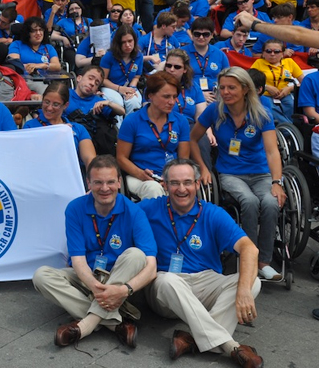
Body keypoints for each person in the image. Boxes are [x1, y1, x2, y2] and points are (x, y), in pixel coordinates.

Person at [138, 159, 264, 368]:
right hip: (166, 289)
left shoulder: (213, 213)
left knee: (253, 282)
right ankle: (230, 346)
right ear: (165, 185)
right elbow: (118, 212)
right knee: (168, 280)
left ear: (198, 184)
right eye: (175, 183)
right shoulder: (150, 208)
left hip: (206, 282)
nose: (181, 189)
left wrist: (243, 291)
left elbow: (249, 248)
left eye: (187, 182)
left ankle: (191, 340)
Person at [32, 155, 157, 348]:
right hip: (88, 275)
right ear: (88, 182)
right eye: (98, 182)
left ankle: (87, 325)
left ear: (119, 182)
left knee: (136, 255)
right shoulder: (75, 208)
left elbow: (151, 267)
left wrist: (123, 290)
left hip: (119, 277)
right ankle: (114, 322)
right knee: (41, 276)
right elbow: (78, 260)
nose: (104, 188)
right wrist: (96, 288)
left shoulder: (135, 212)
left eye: (110, 182)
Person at [189, 67, 285, 281]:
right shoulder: (214, 110)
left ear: (244, 89)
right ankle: (249, 258)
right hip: (230, 172)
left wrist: (277, 182)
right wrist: (203, 168)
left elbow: (271, 151)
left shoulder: (261, 113)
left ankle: (264, 262)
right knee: (249, 202)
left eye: (231, 87)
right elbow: (192, 139)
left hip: (260, 172)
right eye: (222, 87)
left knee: (271, 203)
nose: (225, 91)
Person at [117, 72, 191, 199]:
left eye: (174, 97)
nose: (172, 102)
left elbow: (183, 160)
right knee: (154, 189)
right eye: (166, 97)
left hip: (172, 176)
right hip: (140, 176)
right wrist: (141, 174)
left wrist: (172, 179)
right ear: (150, 96)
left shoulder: (181, 121)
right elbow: (121, 158)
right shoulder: (132, 121)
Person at [24, 82, 96, 169]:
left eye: (55, 104)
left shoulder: (78, 129)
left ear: (65, 105)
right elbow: (29, 158)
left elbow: (89, 159)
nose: (49, 108)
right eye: (46, 102)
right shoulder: (30, 127)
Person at [250, 39, 303, 123]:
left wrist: (289, 88)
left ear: (282, 54)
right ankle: (289, 130)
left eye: (277, 51)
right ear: (263, 53)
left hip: (285, 94)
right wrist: (266, 87)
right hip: (265, 95)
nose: (272, 54)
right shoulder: (258, 63)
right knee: (271, 109)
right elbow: (250, 81)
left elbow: (304, 82)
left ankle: (293, 130)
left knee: (292, 107)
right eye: (268, 51)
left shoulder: (290, 62)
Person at [100, 25, 143, 116]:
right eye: (123, 42)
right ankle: (118, 129)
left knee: (133, 102)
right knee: (117, 103)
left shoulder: (139, 56)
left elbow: (136, 76)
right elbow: (103, 79)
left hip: (128, 87)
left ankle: (130, 128)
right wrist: (120, 89)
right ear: (118, 43)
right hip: (111, 87)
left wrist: (131, 89)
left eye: (130, 41)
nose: (127, 45)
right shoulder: (109, 56)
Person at [187, 17, 229, 103]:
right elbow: (176, 79)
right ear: (191, 34)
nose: (201, 37)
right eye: (197, 34)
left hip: (216, 96)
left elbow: (228, 78)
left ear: (212, 35)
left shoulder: (220, 54)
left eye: (205, 34)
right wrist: (199, 94)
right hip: (190, 96)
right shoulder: (182, 53)